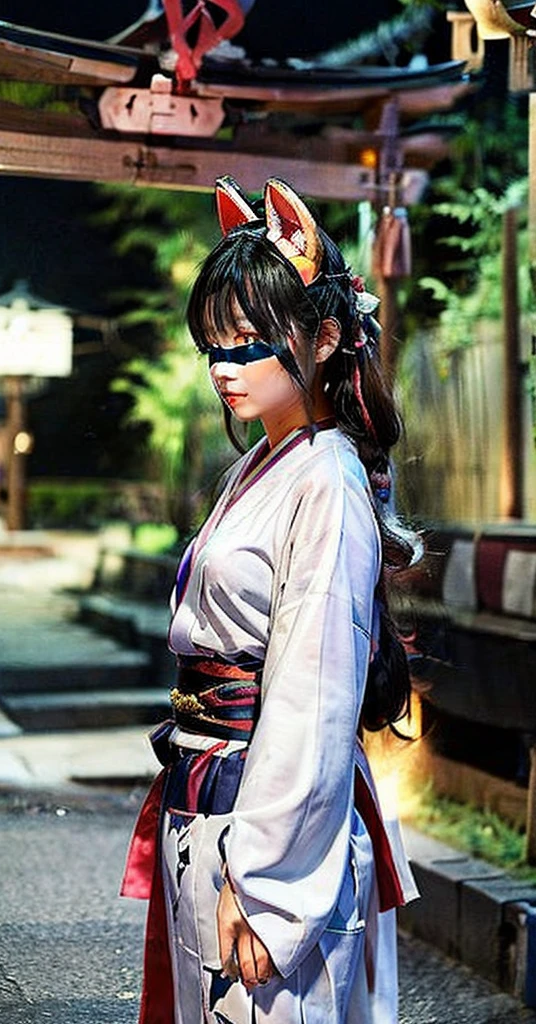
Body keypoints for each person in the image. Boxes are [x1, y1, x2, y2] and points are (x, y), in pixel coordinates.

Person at [122, 176, 420, 1024]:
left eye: (250, 343)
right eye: (213, 345)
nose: (225, 368)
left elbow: (312, 696)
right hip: (213, 791)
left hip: (263, 814)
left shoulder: (324, 477)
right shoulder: (270, 461)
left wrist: (268, 889)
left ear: (325, 336)